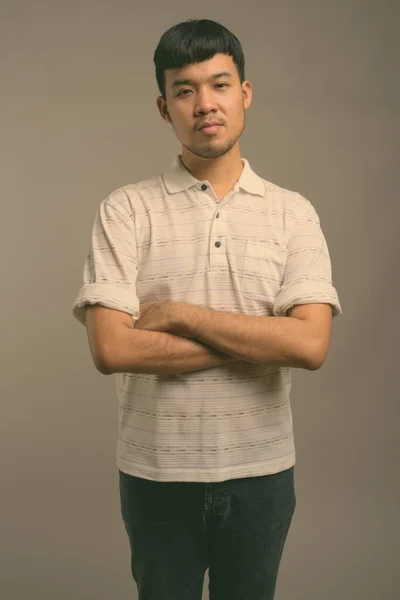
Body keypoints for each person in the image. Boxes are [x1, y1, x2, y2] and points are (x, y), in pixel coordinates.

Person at [72, 18, 342, 600]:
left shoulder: (294, 213)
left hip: (262, 472)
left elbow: (311, 346)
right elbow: (112, 347)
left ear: (245, 93)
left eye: (219, 85)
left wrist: (178, 315)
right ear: (165, 108)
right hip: (156, 473)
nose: (204, 104)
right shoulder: (126, 210)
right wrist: (260, 340)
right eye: (185, 90)